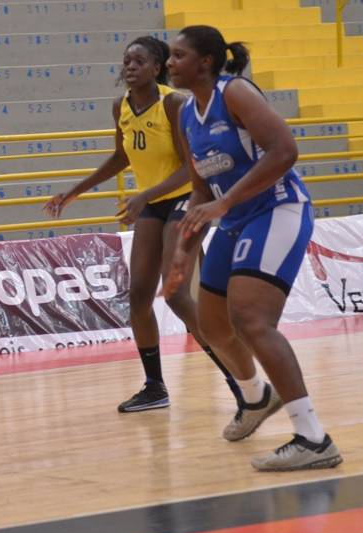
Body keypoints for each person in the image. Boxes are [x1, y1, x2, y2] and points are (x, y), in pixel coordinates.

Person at [44, 37, 251, 424]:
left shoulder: (174, 104)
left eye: (138, 61)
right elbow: (121, 156)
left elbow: (191, 167)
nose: (130, 67)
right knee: (138, 295)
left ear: (157, 68)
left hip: (188, 198)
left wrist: (144, 196)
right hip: (153, 204)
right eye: (126, 61)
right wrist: (74, 192)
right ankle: (155, 387)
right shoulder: (121, 106)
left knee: (175, 295)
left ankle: (240, 381)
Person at [164, 25, 343, 471]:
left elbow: (285, 151)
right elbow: (200, 189)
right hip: (234, 219)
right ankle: (256, 396)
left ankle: (314, 438)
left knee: (252, 320)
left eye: (178, 55)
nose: (170, 62)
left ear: (205, 62)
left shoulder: (236, 93)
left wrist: (225, 202)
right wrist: (183, 250)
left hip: (277, 209)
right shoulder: (186, 114)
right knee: (212, 325)